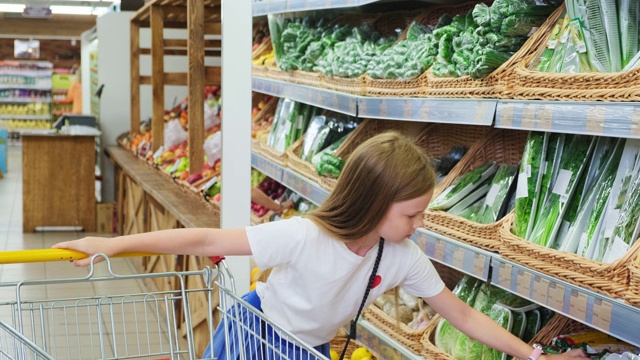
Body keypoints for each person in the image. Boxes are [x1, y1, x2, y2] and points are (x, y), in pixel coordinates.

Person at [53, 132, 588, 360]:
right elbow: (207, 237)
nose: (421, 224)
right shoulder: (305, 236)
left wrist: (530, 353)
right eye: (413, 214)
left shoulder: (401, 257)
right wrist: (112, 244)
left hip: (306, 351)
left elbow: (461, 314)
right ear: (375, 201)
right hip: (253, 335)